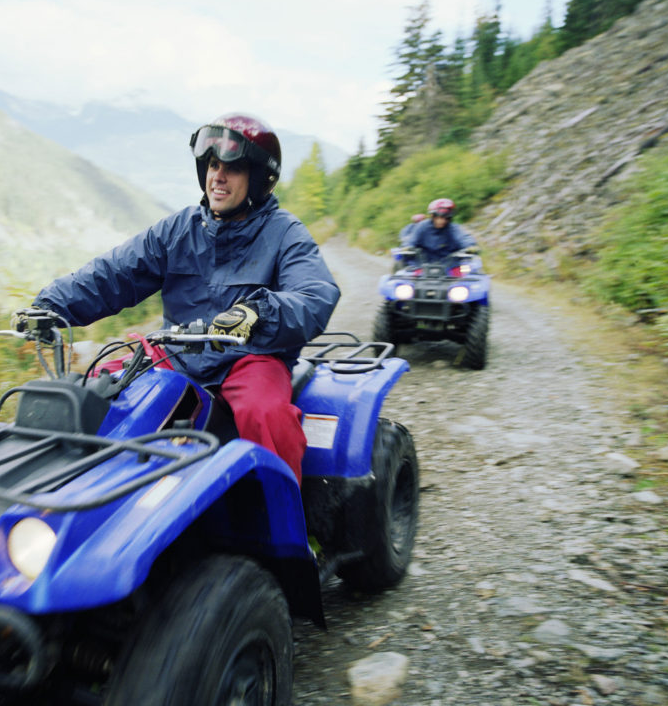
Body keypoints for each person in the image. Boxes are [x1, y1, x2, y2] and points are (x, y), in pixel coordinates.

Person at [27, 112, 341, 484]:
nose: (217, 176)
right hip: (177, 352)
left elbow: (315, 295)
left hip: (249, 359)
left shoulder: (285, 232)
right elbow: (114, 273)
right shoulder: (177, 229)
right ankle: (82, 499)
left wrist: (258, 314)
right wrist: (50, 306)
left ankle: (288, 532)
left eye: (233, 168)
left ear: (259, 179)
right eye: (212, 164)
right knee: (96, 388)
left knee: (267, 414)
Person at [407, 197, 477, 263]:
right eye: (439, 217)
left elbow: (464, 237)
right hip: (423, 264)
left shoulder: (453, 228)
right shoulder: (422, 226)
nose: (442, 221)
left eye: (446, 218)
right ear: (432, 216)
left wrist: (470, 246)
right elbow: (412, 241)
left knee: (473, 267)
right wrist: (408, 247)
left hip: (450, 266)